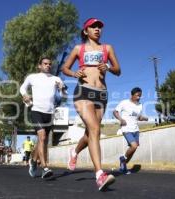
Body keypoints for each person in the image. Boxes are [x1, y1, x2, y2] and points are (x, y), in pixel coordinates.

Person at [61, 17, 121, 191]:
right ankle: (99, 175)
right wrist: (74, 73)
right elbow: (65, 68)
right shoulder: (78, 48)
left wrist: (108, 68)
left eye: (99, 27)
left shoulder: (107, 48)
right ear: (85, 31)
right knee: (95, 129)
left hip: (101, 94)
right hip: (83, 91)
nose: (97, 29)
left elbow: (118, 70)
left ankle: (75, 152)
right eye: (93, 27)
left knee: (91, 131)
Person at [20, 57, 66, 178]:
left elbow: (63, 96)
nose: (48, 66)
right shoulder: (32, 77)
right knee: (42, 136)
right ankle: (45, 167)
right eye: (45, 64)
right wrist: (25, 95)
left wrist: (62, 89)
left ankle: (33, 161)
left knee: (42, 141)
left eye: (50, 64)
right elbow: (22, 88)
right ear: (39, 65)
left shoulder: (56, 79)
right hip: (36, 111)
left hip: (50, 113)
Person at [113, 87, 148, 174]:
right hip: (126, 129)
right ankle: (123, 158)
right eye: (137, 95)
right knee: (134, 146)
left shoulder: (140, 105)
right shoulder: (124, 103)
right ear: (132, 95)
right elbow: (115, 112)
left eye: (140, 96)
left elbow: (138, 117)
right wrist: (121, 119)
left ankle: (123, 165)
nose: (139, 97)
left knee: (134, 148)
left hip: (136, 129)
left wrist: (144, 118)